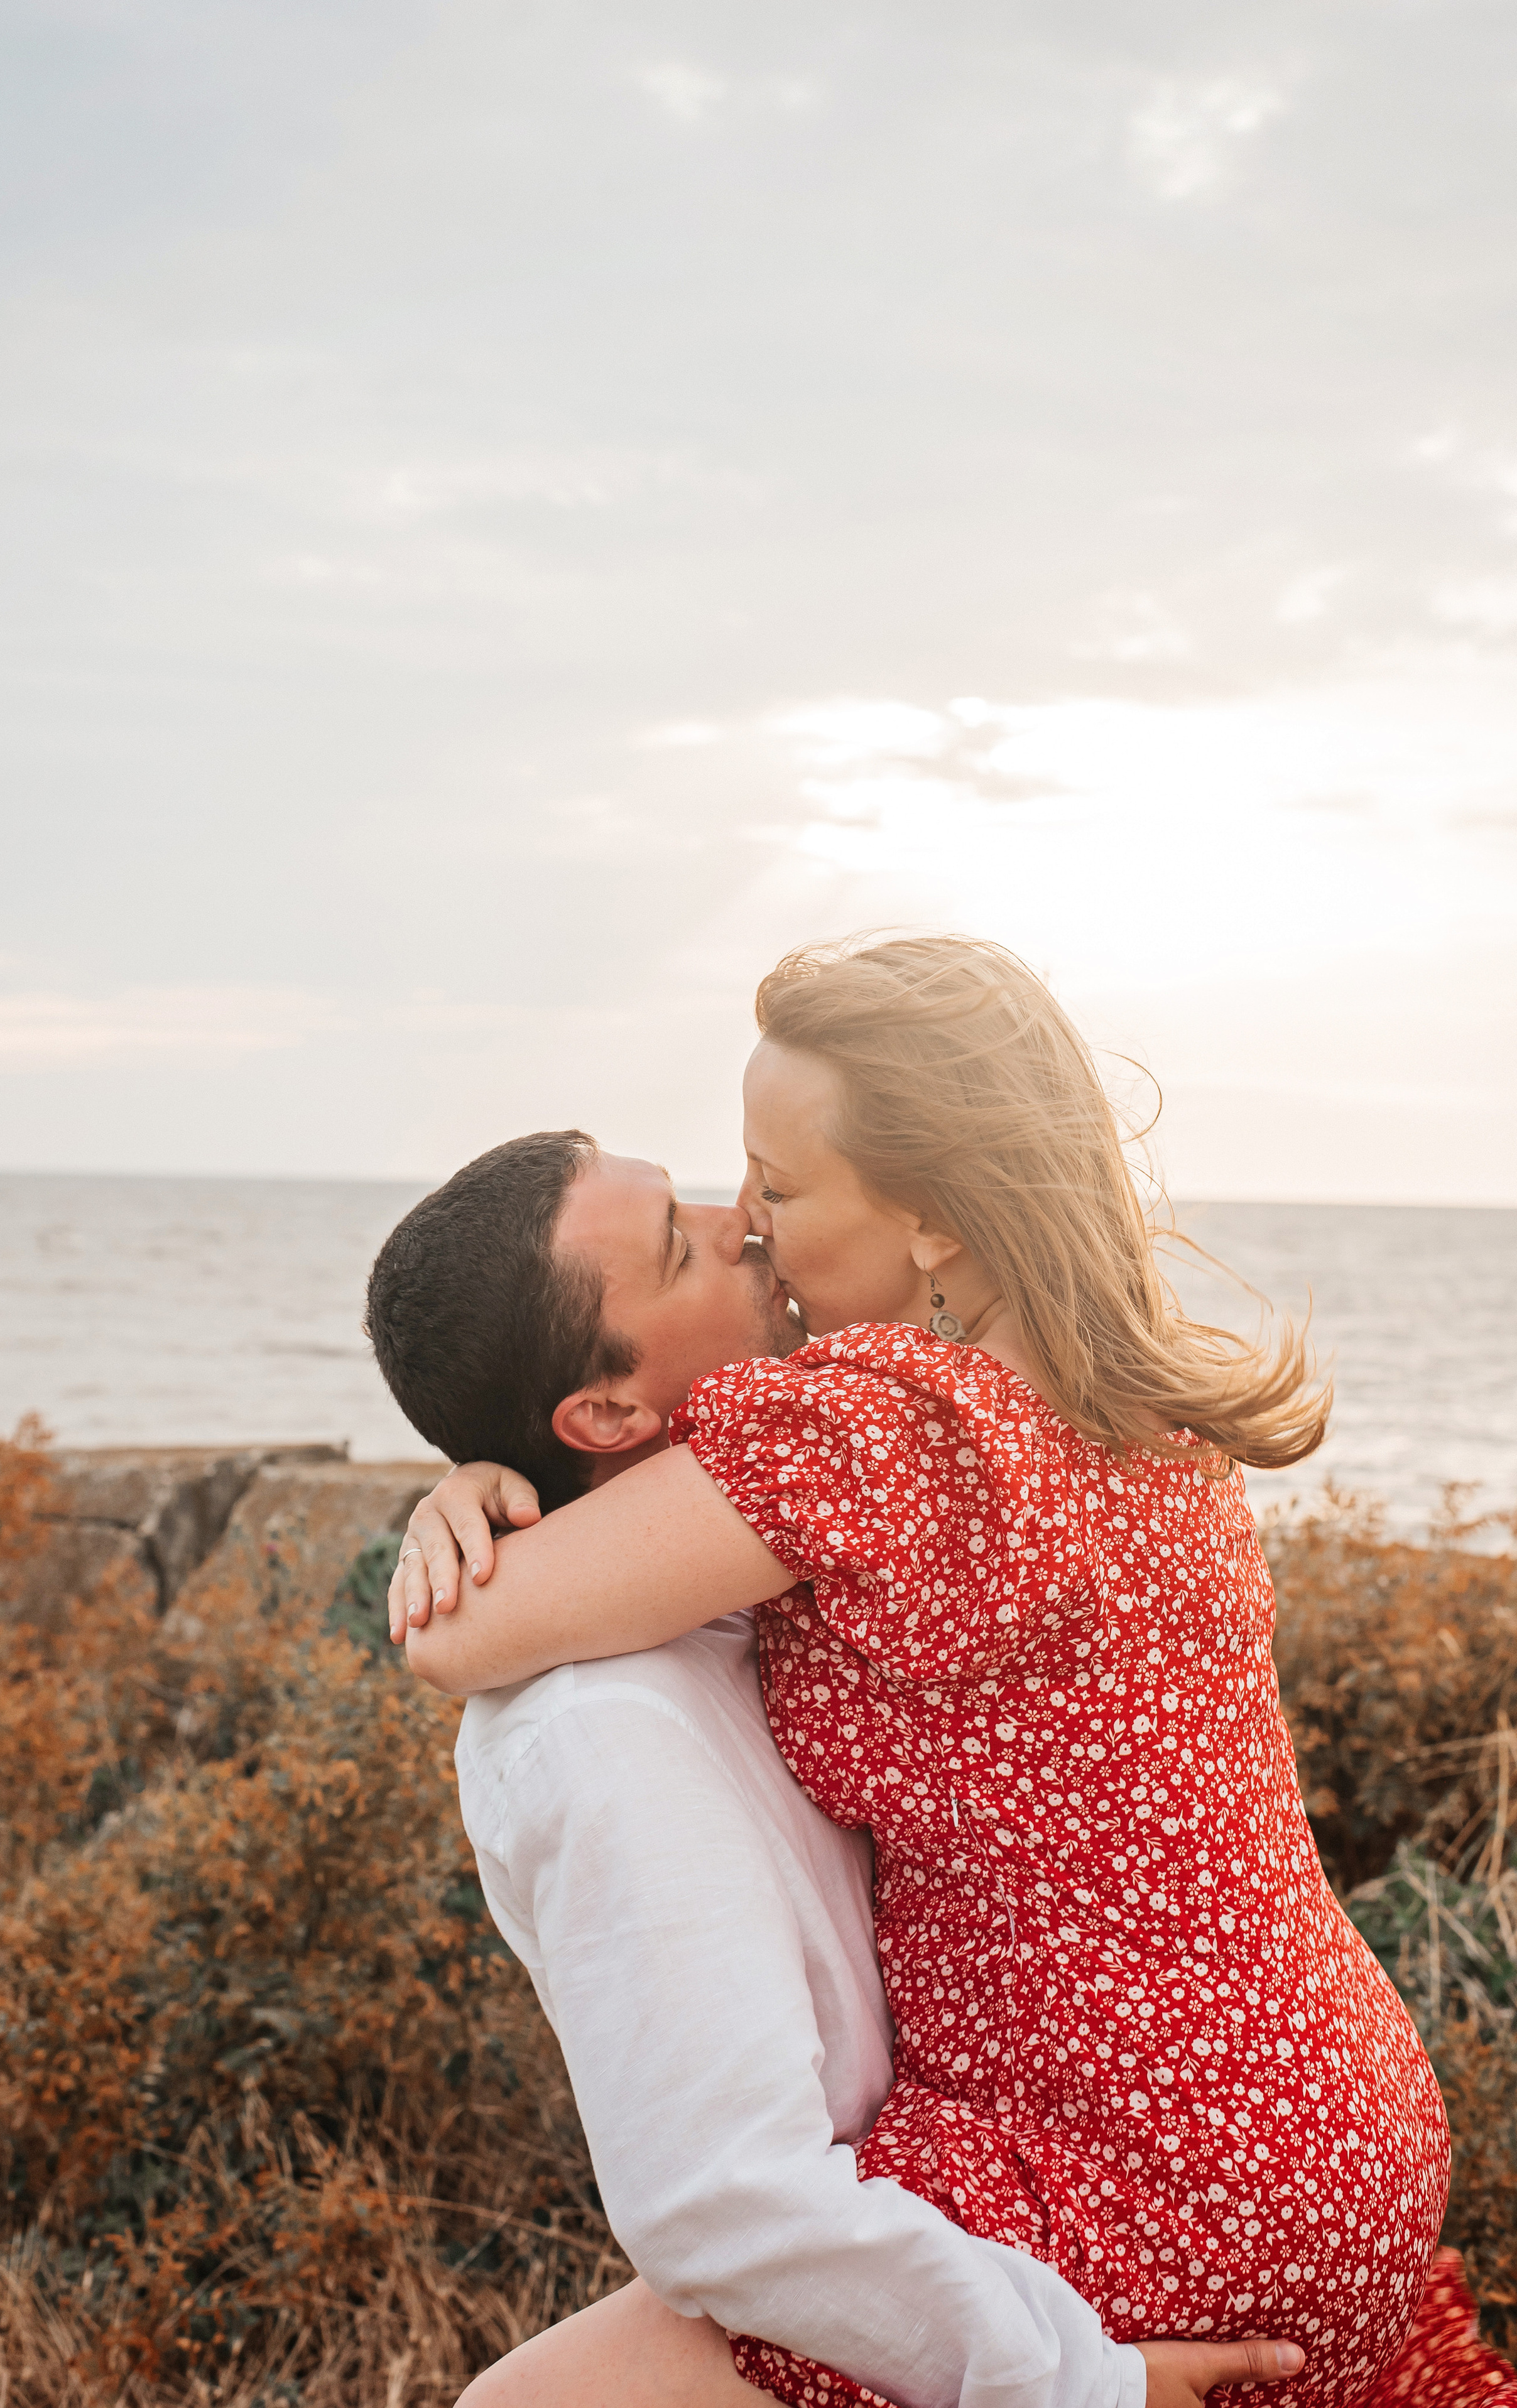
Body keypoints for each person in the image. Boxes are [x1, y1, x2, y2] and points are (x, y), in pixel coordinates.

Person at [387, 936, 1494, 2408]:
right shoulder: (1122, 1389)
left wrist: (455, 1510)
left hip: (1160, 2165)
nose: (754, 1227)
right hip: (1325, 2114)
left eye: (775, 1187)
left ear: (927, 1221)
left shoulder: (879, 1427)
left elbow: (460, 1632)